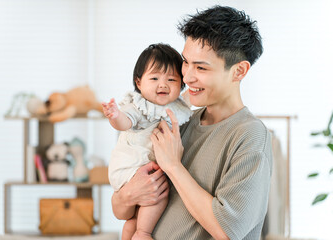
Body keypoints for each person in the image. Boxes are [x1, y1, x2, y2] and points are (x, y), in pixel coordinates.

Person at [111, 5, 273, 240]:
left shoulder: (249, 136)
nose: (186, 76)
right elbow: (120, 209)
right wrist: (128, 195)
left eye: (201, 67)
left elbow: (228, 231)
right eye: (186, 62)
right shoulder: (179, 120)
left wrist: (173, 167)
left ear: (239, 71)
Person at [102, 43, 192, 240]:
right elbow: (125, 122)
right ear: (139, 82)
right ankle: (144, 233)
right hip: (133, 167)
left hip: (142, 169)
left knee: (133, 218)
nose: (163, 84)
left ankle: (131, 233)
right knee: (159, 194)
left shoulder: (179, 108)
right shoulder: (140, 106)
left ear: (182, 84)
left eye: (171, 79)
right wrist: (115, 115)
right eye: (154, 78)